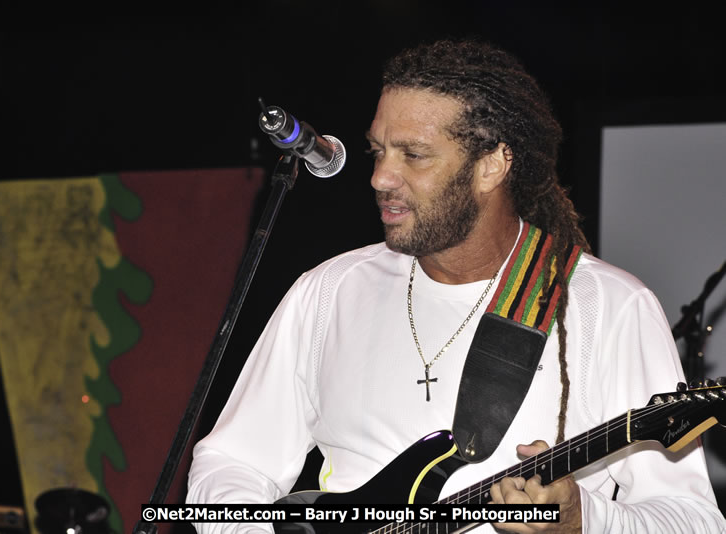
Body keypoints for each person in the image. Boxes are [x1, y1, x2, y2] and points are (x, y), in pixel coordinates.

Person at [186, 39, 726, 533]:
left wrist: (586, 521)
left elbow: (693, 520)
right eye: (378, 151)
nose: (379, 178)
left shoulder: (607, 307)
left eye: (413, 155)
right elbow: (232, 462)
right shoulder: (328, 291)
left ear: (492, 164)